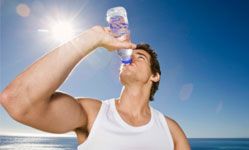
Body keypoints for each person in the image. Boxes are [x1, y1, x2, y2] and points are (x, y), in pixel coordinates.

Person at [0, 26, 190, 150]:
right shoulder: (93, 113)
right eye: (129, 54)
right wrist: (92, 38)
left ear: (154, 76)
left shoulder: (170, 129)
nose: (130, 57)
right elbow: (16, 101)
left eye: (140, 57)